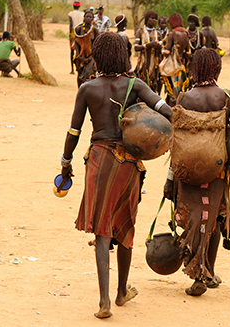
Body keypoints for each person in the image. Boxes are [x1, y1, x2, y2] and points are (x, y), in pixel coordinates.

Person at [59, 32, 172, 319]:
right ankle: (122, 292)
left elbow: (74, 132)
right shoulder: (137, 86)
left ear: (97, 55)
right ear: (123, 55)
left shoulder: (88, 88)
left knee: (101, 229)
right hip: (129, 163)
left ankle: (104, 301)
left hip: (99, 160)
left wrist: (66, 162)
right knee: (125, 225)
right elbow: (165, 111)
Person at [163, 48, 230, 296]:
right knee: (215, 218)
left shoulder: (184, 98)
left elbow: (176, 140)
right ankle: (208, 271)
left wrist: (169, 179)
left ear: (194, 69)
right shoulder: (226, 97)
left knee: (192, 218)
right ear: (217, 69)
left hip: (186, 170)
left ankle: (196, 272)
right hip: (216, 171)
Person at [163, 12, 190, 105]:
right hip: (181, 66)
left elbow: (167, 53)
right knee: (180, 89)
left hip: (172, 67)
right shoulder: (186, 34)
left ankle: (173, 109)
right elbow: (188, 53)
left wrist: (160, 49)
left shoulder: (172, 34)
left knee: (172, 90)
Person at [134, 11, 162, 93]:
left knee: (154, 87)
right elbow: (136, 48)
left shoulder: (158, 33)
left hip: (154, 66)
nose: (154, 20)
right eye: (152, 18)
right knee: (142, 87)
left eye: (156, 19)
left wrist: (159, 46)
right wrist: (147, 45)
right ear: (147, 19)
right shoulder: (140, 31)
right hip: (143, 65)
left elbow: (162, 48)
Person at [74, 10, 100, 87]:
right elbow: (76, 43)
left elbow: (96, 45)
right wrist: (79, 57)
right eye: (87, 16)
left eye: (90, 17)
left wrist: (91, 57)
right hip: (80, 56)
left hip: (90, 56)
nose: (88, 18)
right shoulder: (79, 29)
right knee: (79, 74)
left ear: (92, 19)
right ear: (84, 18)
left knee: (88, 73)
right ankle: (79, 91)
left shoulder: (94, 30)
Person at [186, 14, 204, 87]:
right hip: (186, 59)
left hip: (197, 59)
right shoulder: (185, 33)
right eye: (189, 22)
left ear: (196, 23)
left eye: (192, 22)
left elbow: (202, 46)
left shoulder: (200, 34)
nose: (190, 24)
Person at [68, 0, 84, 74]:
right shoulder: (82, 14)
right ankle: (80, 67)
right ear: (79, 6)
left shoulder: (70, 14)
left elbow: (71, 25)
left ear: (73, 6)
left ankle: (72, 69)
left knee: (72, 51)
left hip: (73, 33)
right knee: (80, 51)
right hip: (81, 33)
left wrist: (70, 35)